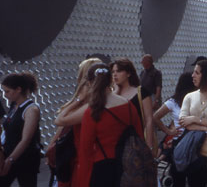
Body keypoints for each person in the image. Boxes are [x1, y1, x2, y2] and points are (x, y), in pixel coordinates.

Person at [78, 63, 144, 186]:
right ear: (110, 79)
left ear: (90, 83)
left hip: (102, 167)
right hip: (129, 165)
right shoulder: (129, 106)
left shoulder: (93, 111)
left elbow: (85, 151)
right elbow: (139, 136)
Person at [51, 57, 102, 186]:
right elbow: (63, 125)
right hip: (82, 155)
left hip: (83, 156)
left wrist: (78, 100)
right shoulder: (99, 100)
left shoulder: (91, 104)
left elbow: (61, 121)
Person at [153, 72, 196, 186]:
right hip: (182, 142)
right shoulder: (173, 102)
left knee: (188, 176)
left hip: (190, 141)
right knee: (180, 175)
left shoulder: (196, 100)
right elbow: (155, 117)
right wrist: (169, 131)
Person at [0, 73, 41, 186]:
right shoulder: (14, 106)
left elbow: (26, 139)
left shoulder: (31, 109)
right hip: (9, 153)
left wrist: (10, 160)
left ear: (18, 89)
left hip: (25, 159)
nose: (5, 94)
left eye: (7, 91)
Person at [111, 58, 155, 151]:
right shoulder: (110, 95)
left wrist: (149, 146)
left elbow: (149, 120)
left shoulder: (141, 92)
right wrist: (115, 92)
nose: (115, 74)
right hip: (115, 143)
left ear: (128, 73)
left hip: (137, 142)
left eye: (119, 71)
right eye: (113, 72)